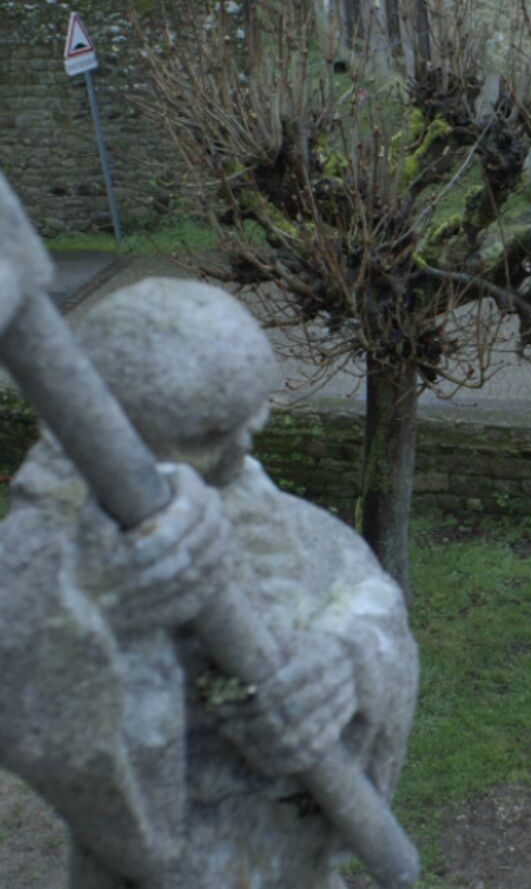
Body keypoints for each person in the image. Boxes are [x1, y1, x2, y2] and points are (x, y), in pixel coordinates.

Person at [0, 279, 418, 888]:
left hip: (292, 864)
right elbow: (23, 695)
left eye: (253, 413)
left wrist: (347, 666)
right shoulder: (42, 553)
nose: (245, 443)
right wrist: (107, 610)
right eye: (207, 435)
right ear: (120, 432)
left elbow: (369, 600)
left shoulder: (270, 513)